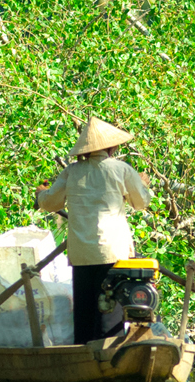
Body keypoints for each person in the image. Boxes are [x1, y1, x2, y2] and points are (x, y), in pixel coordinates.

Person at [35, 117, 154, 343]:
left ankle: (83, 353)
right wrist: (143, 184)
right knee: (109, 310)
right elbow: (141, 203)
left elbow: (51, 203)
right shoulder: (121, 169)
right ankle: (109, 356)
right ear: (111, 147)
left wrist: (41, 193)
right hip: (113, 252)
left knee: (85, 310)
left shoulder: (72, 172)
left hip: (82, 253)